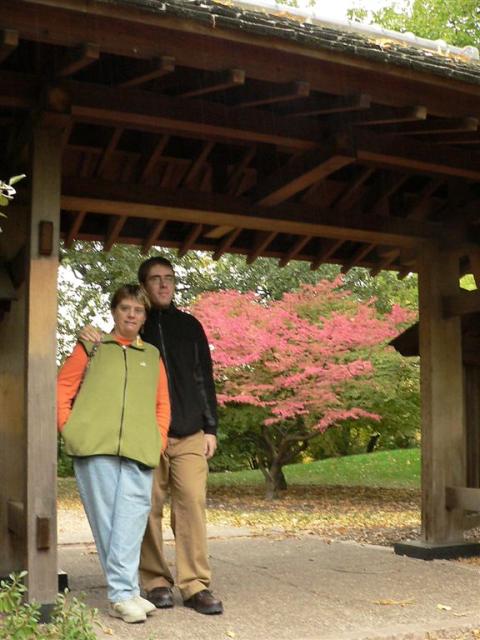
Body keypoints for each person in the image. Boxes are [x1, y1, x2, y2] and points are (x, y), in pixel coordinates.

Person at [81, 256, 223, 615]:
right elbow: (103, 367)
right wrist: (87, 337)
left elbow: (203, 378)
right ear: (143, 286)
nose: (163, 284)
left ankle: (195, 585)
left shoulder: (190, 326)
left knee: (191, 504)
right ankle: (155, 581)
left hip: (189, 432)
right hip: (144, 436)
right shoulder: (133, 330)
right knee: (144, 510)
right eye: (155, 279)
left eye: (169, 278)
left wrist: (211, 427)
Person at [58, 284, 171, 624]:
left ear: (144, 316)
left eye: (138, 310)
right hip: (94, 448)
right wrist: (71, 428)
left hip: (139, 448)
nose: (131, 315)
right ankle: (123, 594)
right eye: (125, 308)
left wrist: (158, 439)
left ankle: (125, 591)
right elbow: (62, 389)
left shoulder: (151, 355)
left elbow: (162, 404)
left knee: (132, 519)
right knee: (108, 522)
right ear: (114, 311)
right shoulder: (91, 346)